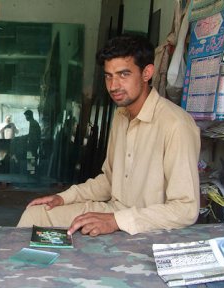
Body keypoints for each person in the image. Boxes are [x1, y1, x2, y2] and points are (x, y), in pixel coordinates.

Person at [17, 34, 201, 236]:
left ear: (147, 73)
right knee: (35, 215)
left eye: (124, 74)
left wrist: (116, 221)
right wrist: (64, 198)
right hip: (114, 210)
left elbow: (186, 210)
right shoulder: (121, 116)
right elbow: (109, 181)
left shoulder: (176, 125)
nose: (113, 86)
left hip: (148, 224)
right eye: (108, 75)